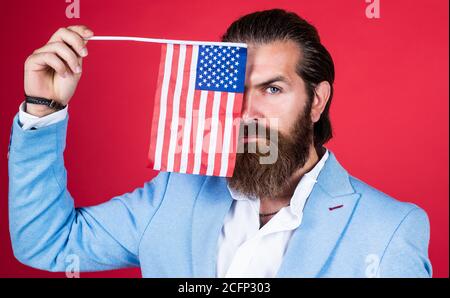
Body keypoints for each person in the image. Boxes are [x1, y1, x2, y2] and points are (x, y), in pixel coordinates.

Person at [8, 9, 432, 277]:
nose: (247, 114)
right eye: (236, 90)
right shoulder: (176, 192)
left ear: (317, 101)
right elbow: (50, 243)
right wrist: (43, 107)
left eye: (272, 89)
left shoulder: (389, 229)